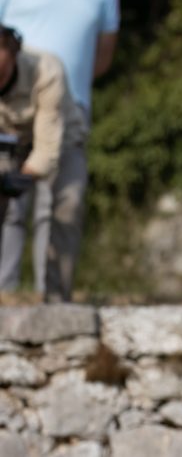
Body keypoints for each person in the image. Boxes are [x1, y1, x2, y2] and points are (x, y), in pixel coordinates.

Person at [0, 0, 120, 299]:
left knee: (62, 205)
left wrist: (71, 88)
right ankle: (5, 296)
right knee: (8, 198)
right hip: (11, 110)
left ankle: (54, 304)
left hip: (69, 108)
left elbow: (104, 52)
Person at [0, 26, 87, 301]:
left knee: (68, 205)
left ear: (13, 57)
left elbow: (47, 150)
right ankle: (3, 292)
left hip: (60, 140)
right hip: (9, 143)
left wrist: (15, 182)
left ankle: (56, 298)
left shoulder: (47, 70)